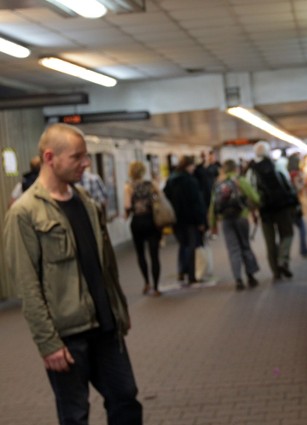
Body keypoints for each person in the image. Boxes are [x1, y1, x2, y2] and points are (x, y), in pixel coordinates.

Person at [3, 123, 142, 424]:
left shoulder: (87, 205)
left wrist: (120, 309)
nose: (86, 163)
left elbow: (106, 267)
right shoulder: (24, 214)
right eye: (78, 157)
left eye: (87, 156)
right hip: (67, 338)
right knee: (75, 414)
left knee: (126, 400)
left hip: (106, 328)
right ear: (50, 158)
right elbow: (28, 286)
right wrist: (48, 343)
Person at [248, 141, 298, 280]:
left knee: (270, 242)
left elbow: (251, 193)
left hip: (265, 211)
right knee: (287, 234)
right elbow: (287, 184)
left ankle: (276, 272)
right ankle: (283, 260)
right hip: (282, 207)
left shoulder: (251, 170)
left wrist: (254, 210)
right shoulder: (277, 165)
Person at [210, 159, 260, 290]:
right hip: (241, 217)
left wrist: (213, 224)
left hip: (226, 220)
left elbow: (212, 206)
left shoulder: (218, 183)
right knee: (245, 246)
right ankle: (251, 276)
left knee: (233, 250)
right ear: (235, 168)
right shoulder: (240, 180)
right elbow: (254, 197)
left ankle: (238, 279)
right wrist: (256, 208)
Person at [164, 155, 207, 284]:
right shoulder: (190, 181)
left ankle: (181, 271)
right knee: (191, 246)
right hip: (190, 219)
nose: (194, 168)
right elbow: (196, 202)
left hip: (176, 219)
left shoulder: (171, 180)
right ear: (188, 166)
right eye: (193, 165)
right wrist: (201, 221)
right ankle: (192, 275)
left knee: (183, 245)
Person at [124, 160, 163, 296]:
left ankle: (146, 282)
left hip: (137, 222)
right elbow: (158, 199)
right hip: (151, 220)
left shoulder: (129, 187)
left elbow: (128, 206)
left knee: (140, 254)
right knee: (154, 255)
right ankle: (157, 287)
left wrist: (128, 213)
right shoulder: (151, 184)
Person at [286, 152, 307, 258]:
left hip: (288, 206)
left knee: (289, 232)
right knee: (302, 229)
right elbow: (298, 188)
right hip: (294, 206)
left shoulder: (286, 173)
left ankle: (286, 255)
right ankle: (303, 249)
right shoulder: (295, 175)